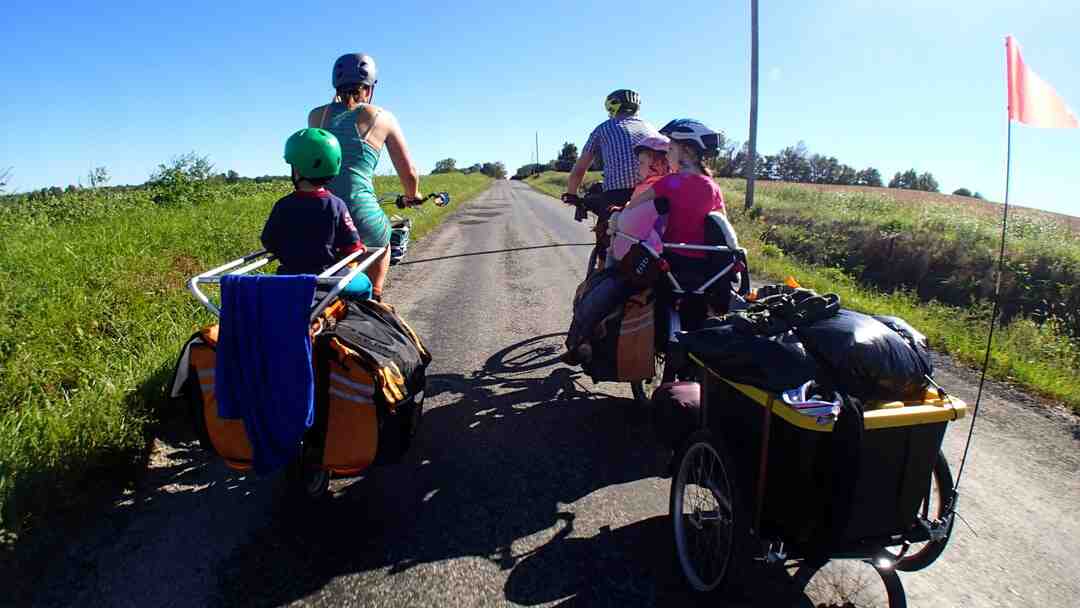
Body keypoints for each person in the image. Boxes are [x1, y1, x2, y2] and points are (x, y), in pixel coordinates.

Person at [308, 53, 420, 301]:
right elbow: (409, 173)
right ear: (369, 89)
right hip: (362, 213)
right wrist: (413, 195)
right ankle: (375, 300)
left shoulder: (316, 116)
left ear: (336, 86)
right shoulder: (382, 117)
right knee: (383, 242)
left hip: (320, 213)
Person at [623, 119, 726, 270]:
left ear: (687, 152)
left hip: (669, 260)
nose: (666, 156)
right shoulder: (714, 186)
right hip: (704, 265)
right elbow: (723, 227)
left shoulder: (669, 182)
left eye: (670, 149)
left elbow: (633, 206)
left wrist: (621, 211)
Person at [261, 128, 365, 276]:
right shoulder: (337, 205)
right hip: (326, 276)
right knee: (365, 284)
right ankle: (375, 294)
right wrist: (358, 248)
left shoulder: (283, 205)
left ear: (296, 170)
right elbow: (352, 245)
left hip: (287, 277)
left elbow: (269, 241)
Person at [562, 89, 661, 211]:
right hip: (654, 193)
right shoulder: (651, 128)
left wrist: (571, 194)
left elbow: (580, 168)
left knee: (606, 226)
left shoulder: (603, 129)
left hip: (617, 195)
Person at [608, 134, 672, 263]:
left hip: (639, 241)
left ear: (658, 164)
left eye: (641, 163)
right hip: (662, 240)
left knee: (613, 228)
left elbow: (633, 209)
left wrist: (622, 210)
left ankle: (610, 265)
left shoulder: (649, 187)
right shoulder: (671, 183)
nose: (638, 167)